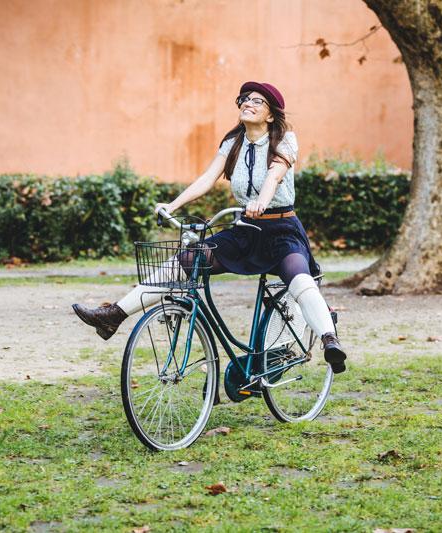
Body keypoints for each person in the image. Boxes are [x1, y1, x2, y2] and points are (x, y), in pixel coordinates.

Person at [72, 81, 347, 373]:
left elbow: (274, 176)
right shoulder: (233, 143)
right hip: (245, 229)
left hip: (281, 230)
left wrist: (262, 202)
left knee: (299, 279)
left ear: (270, 114)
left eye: (257, 101)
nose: (247, 103)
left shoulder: (285, 138)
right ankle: (113, 314)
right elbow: (207, 178)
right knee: (184, 261)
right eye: (244, 98)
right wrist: (173, 205)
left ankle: (329, 340)